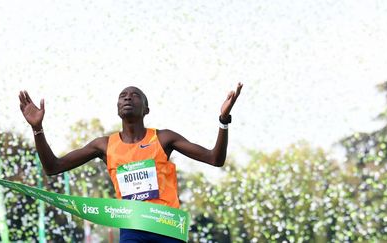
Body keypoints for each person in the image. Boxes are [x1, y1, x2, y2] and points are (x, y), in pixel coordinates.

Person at [18, 83, 243, 242]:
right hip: (133, 227)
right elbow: (52, 167)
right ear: (117, 109)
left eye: (135, 95)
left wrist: (224, 121)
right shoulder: (104, 145)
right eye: (123, 95)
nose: (127, 97)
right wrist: (37, 128)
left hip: (168, 225)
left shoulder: (163, 138)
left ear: (146, 109)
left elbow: (215, 159)